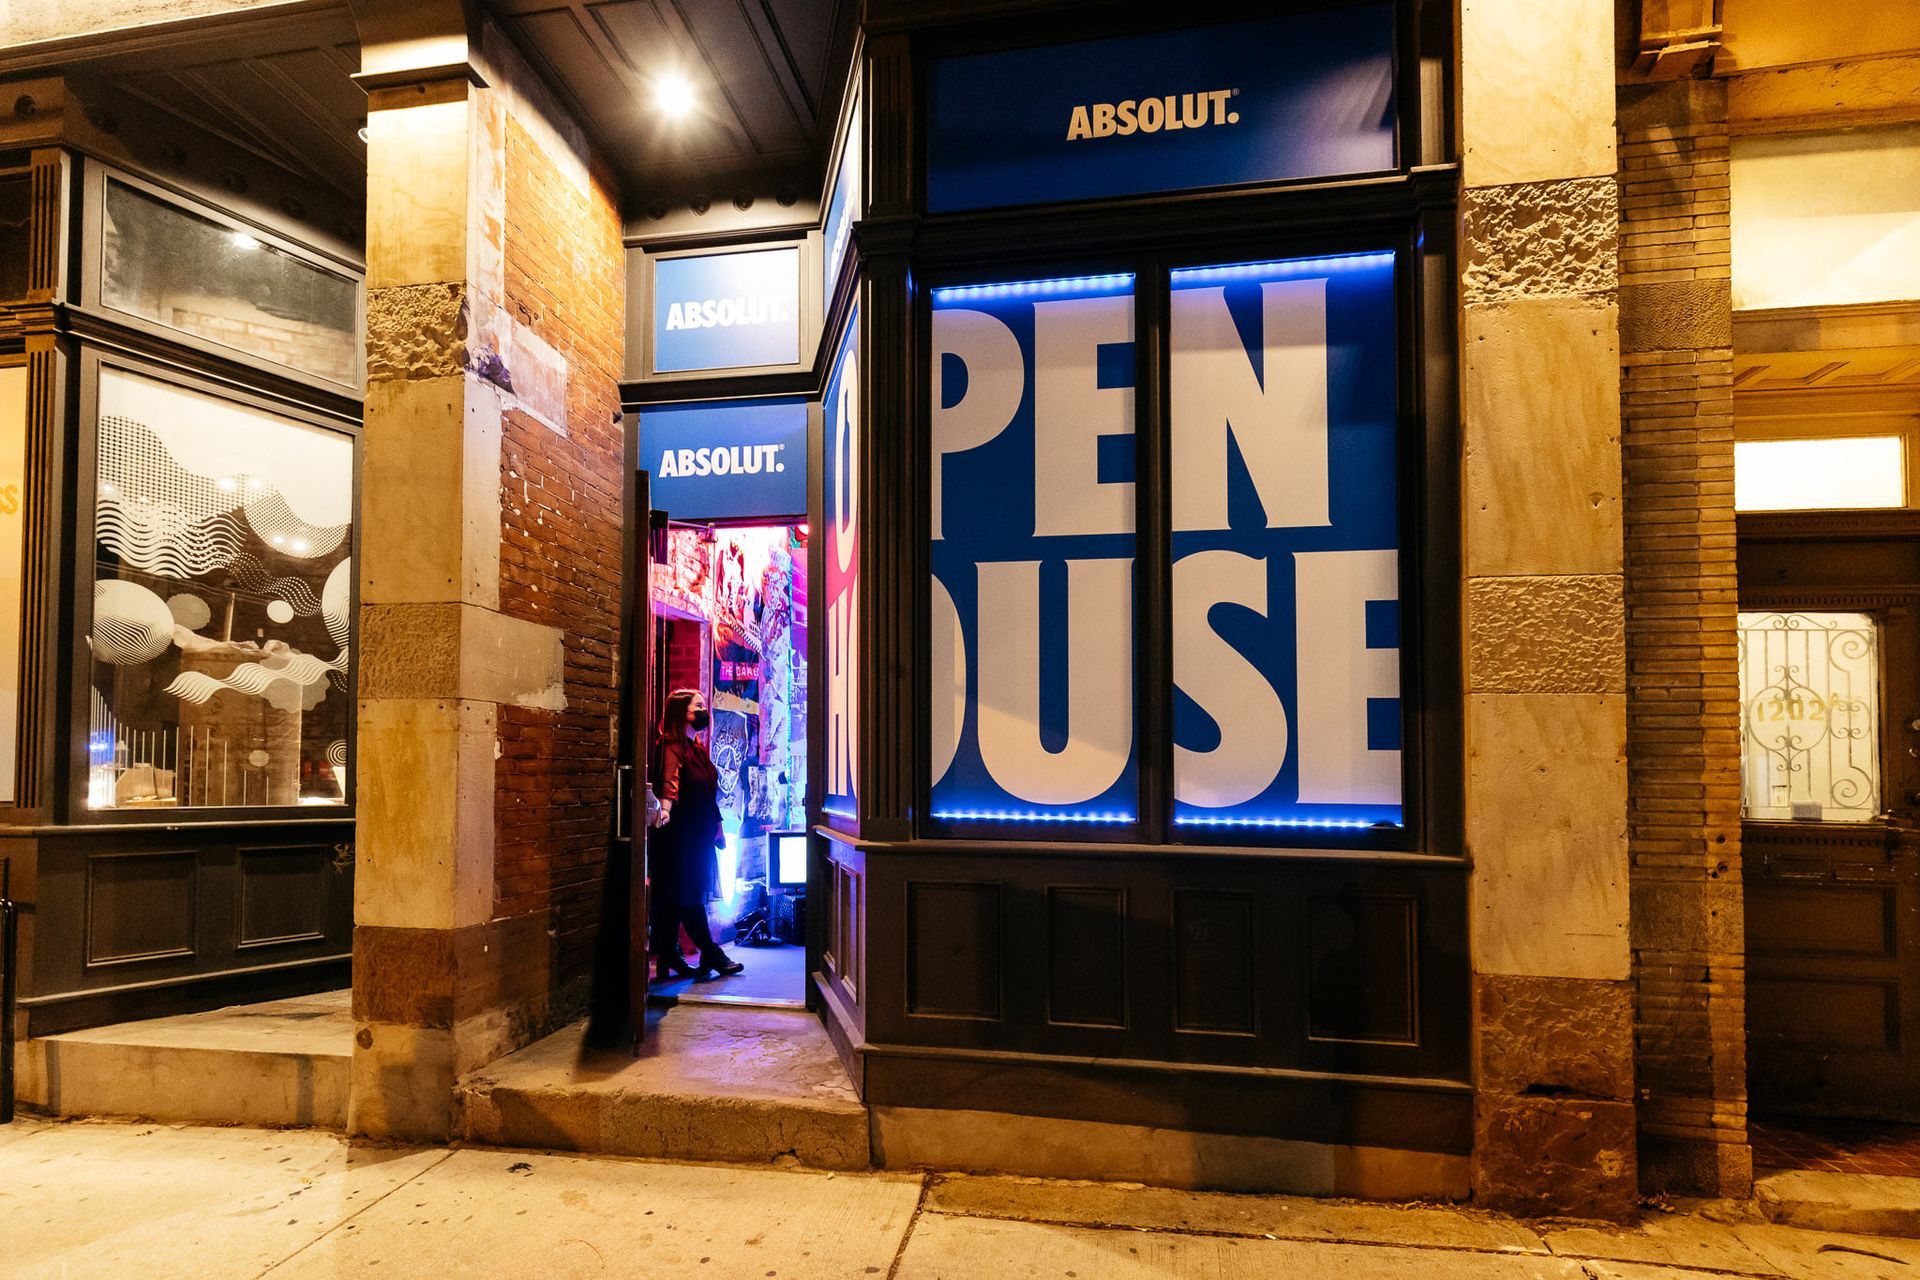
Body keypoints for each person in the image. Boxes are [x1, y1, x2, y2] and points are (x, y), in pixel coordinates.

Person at [650, 689, 745, 983]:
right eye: (698, 706)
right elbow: (669, 783)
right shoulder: (671, 746)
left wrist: (717, 825)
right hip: (681, 835)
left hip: (699, 833)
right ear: (682, 712)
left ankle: (669, 954)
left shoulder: (697, 748)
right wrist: (665, 809)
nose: (704, 711)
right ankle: (711, 952)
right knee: (688, 896)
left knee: (678, 896)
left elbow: (708, 791)